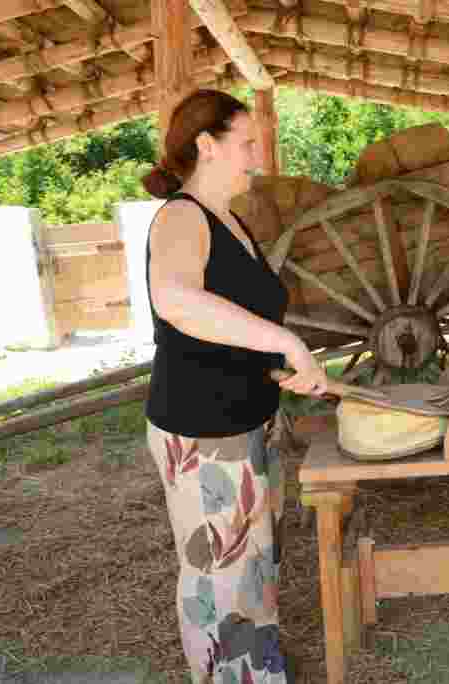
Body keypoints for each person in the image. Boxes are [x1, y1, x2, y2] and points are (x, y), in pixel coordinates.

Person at [142, 89, 328, 683]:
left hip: (247, 421)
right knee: (217, 577)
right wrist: (286, 343)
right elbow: (175, 299)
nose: (257, 157)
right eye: (246, 143)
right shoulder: (180, 216)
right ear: (206, 145)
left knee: (253, 568)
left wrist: (282, 368)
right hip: (204, 431)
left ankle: (256, 670)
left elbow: (232, 329)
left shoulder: (232, 219)